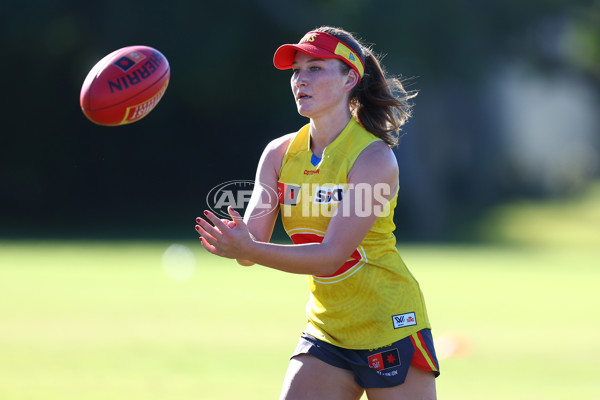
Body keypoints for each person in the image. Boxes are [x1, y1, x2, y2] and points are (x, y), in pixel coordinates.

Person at [195, 26, 439, 400]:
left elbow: (330, 256)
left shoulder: (373, 158)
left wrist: (250, 250)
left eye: (315, 69)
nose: (299, 80)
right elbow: (253, 245)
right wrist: (238, 242)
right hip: (327, 330)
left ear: (350, 80)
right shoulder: (278, 154)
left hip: (390, 325)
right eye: (296, 71)